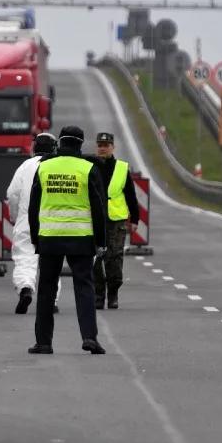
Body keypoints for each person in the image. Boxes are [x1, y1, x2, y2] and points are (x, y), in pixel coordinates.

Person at [27, 126, 108, 355]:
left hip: (50, 238)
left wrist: (35, 238)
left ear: (60, 143)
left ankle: (43, 342)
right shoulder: (87, 168)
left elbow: (33, 207)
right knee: (84, 288)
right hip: (81, 239)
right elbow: (98, 208)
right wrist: (101, 242)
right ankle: (89, 337)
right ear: (80, 145)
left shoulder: (44, 167)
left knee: (46, 290)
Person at [6, 132, 62, 314]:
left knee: (24, 259)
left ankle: (25, 288)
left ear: (34, 148)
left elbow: (13, 194)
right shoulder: (57, 167)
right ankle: (51, 299)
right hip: (51, 223)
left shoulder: (25, 167)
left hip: (26, 222)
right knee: (51, 262)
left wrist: (15, 217)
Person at [91, 131, 140, 310]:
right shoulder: (89, 166)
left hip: (115, 221)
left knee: (114, 258)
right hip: (94, 219)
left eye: (106, 146)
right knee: (95, 259)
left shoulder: (121, 168)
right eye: (100, 146)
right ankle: (98, 294)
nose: (102, 149)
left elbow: (131, 195)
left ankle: (113, 293)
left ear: (113, 147)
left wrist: (134, 218)